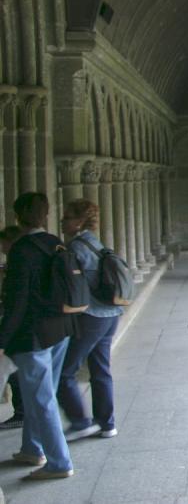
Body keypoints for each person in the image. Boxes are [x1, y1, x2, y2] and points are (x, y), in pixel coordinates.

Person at [0, 192, 75, 480]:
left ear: (17, 217)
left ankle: (59, 462)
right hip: (59, 329)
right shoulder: (53, 242)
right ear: (45, 214)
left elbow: (17, 301)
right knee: (41, 395)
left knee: (41, 399)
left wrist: (3, 340)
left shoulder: (21, 250)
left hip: (33, 336)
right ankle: (32, 448)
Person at [57, 199, 121, 441]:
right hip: (111, 314)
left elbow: (72, 286)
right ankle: (107, 423)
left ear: (80, 220)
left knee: (65, 371)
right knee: (100, 370)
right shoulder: (94, 241)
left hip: (92, 317)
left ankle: (81, 421)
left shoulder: (74, 247)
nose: (63, 221)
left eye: (67, 216)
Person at [0, 225, 25, 429]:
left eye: (4, 243)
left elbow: (15, 303)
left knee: (12, 372)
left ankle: (21, 412)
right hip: (18, 327)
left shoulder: (19, 263)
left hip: (17, 328)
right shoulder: (13, 262)